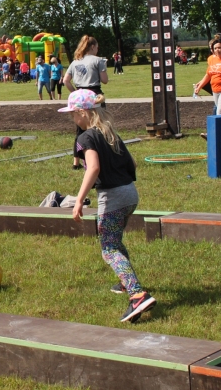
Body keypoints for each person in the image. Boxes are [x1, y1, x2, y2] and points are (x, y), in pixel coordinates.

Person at [62, 89, 156, 323]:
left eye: (73, 114)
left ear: (83, 112)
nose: (72, 119)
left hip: (113, 198)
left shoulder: (85, 138)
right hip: (130, 194)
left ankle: (137, 295)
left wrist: (79, 200)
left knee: (109, 249)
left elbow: (93, 168)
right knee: (115, 240)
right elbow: (132, 162)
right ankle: (126, 283)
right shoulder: (109, 132)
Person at [65, 35, 110, 169]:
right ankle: (100, 157)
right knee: (100, 126)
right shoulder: (98, 60)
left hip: (79, 96)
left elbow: (66, 81)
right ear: (92, 47)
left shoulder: (75, 62)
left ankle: (76, 162)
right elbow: (105, 80)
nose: (97, 50)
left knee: (80, 129)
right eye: (97, 47)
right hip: (94, 96)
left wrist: (75, 93)